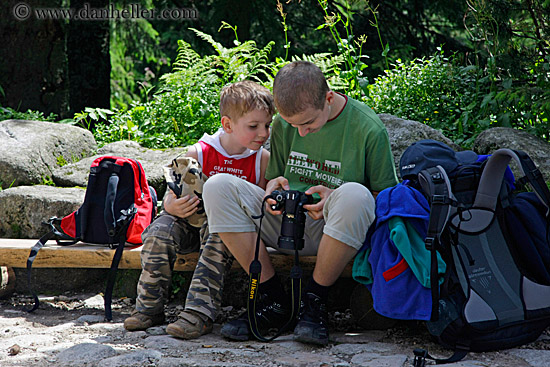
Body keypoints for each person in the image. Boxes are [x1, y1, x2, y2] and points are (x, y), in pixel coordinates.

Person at [201, 61, 399, 345]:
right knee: (217, 186)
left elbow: (389, 200)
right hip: (284, 224)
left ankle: (314, 301)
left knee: (355, 195)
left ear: (328, 99)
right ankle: (271, 300)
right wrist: (272, 188)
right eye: (294, 125)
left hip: (334, 231)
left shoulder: (368, 128)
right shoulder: (284, 124)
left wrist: (333, 197)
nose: (301, 132)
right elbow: (274, 177)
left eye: (308, 124)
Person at [123, 80, 275, 338]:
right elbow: (171, 196)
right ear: (227, 124)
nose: (263, 133)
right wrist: (172, 206)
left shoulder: (262, 160)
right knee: (158, 231)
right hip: (186, 223)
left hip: (221, 232)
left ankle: (198, 314)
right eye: (254, 126)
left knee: (219, 233)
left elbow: (257, 207)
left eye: (267, 125)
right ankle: (149, 308)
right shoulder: (199, 151)